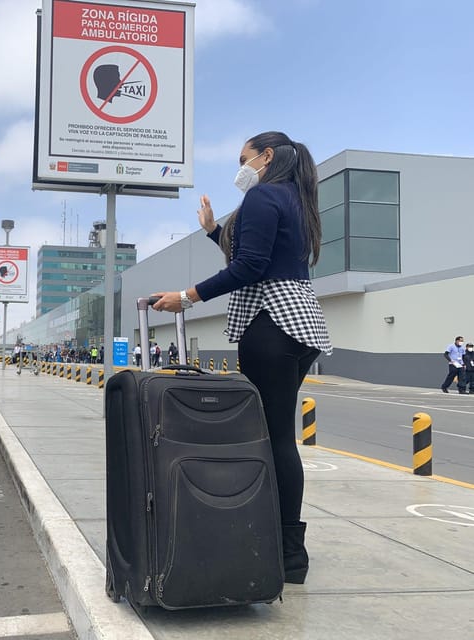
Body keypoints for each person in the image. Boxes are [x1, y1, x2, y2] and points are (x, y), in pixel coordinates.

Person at [151, 131, 331, 584]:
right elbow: (258, 257)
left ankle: (288, 555)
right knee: (278, 437)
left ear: (266, 157)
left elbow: (248, 268)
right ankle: (288, 549)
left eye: (244, 158)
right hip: (301, 323)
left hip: (269, 324)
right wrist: (214, 232)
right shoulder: (296, 199)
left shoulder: (262, 197)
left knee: (272, 440)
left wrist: (185, 297)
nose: (241, 166)